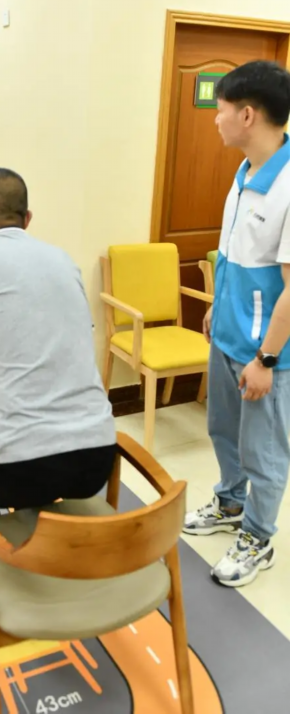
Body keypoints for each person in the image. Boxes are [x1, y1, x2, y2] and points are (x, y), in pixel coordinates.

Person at [0, 168, 116, 615]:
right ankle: (50, 563)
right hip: (96, 461)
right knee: (32, 469)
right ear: (27, 218)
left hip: (17, 472)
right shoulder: (64, 262)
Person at [184, 60, 290, 588]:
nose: (215, 118)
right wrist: (215, 305)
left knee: (262, 451)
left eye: (220, 109)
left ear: (247, 115)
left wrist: (266, 358)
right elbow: (235, 255)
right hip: (226, 335)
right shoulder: (246, 171)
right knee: (223, 431)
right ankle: (229, 504)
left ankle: (258, 537)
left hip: (265, 353)